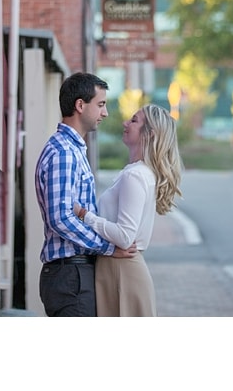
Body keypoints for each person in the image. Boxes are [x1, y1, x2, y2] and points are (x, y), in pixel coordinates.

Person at [34, 72, 136, 316]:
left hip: (74, 274)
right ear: (80, 105)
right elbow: (60, 218)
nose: (105, 113)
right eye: (100, 104)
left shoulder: (72, 149)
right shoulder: (64, 152)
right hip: (70, 276)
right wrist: (108, 248)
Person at [76, 102, 184, 316]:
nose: (125, 123)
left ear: (149, 134)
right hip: (117, 269)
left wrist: (83, 215)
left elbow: (125, 236)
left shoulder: (135, 175)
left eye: (134, 120)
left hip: (121, 271)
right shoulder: (138, 172)